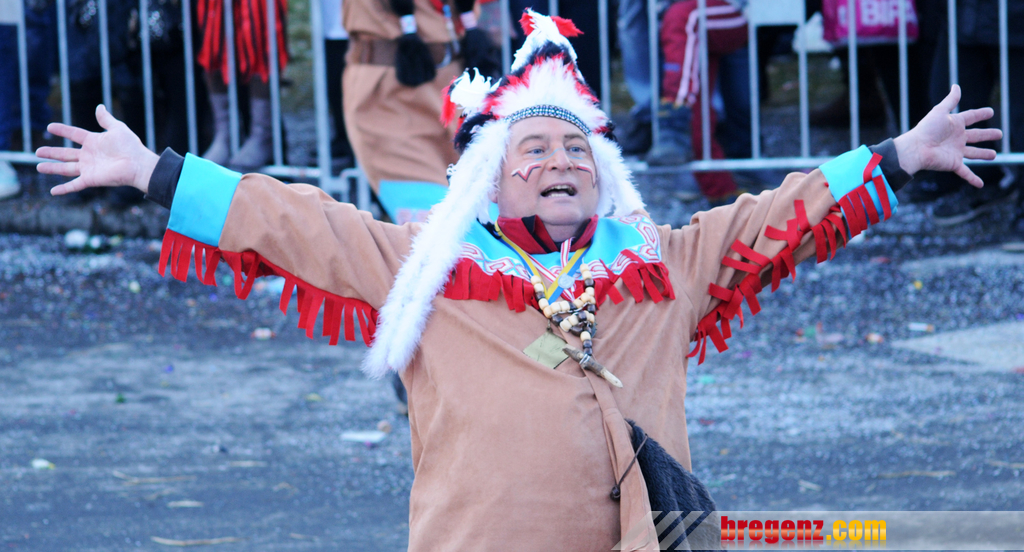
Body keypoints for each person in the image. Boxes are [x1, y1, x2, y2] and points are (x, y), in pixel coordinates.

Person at [36, 10, 999, 549]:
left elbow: (779, 215)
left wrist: (898, 157)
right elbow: (293, 222)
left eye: (575, 150)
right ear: (490, 182)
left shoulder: (663, 263)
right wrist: (156, 172)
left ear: (602, 174)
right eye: (531, 150)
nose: (557, 162)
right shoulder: (431, 267)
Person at [651, 0, 749, 206]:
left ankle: (674, 115)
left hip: (733, 9)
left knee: (683, 16)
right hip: (685, 17)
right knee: (697, 111)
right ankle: (723, 194)